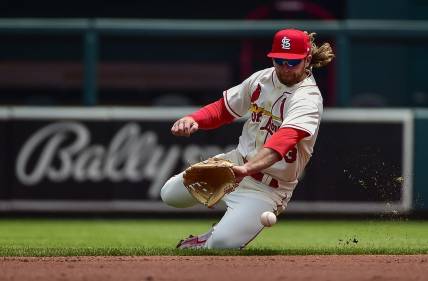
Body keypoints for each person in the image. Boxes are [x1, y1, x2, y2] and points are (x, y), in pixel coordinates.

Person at [160, 29, 335, 249]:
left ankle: (208, 238)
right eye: (279, 61)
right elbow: (224, 109)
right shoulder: (261, 79)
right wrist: (193, 118)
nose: (284, 68)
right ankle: (222, 228)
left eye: (292, 62)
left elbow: (283, 140)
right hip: (234, 164)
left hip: (268, 189)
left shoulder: (308, 98)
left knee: (221, 245)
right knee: (169, 194)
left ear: (307, 59)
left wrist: (248, 169)